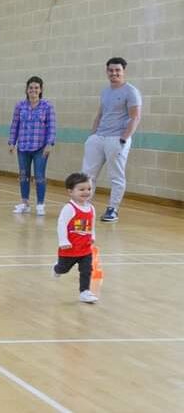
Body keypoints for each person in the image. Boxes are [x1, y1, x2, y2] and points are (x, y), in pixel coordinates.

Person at [81, 57, 142, 223]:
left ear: (123, 71)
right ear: (107, 71)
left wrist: (123, 139)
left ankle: (112, 209)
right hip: (99, 137)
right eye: (111, 70)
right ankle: (84, 207)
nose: (114, 73)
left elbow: (135, 117)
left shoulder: (131, 91)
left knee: (116, 176)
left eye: (117, 70)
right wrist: (92, 135)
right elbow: (100, 114)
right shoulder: (105, 91)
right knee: (87, 174)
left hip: (117, 138)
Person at [8, 76, 56, 216]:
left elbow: (51, 127)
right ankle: (25, 203)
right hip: (23, 146)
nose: (33, 90)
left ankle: (40, 204)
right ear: (27, 90)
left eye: (36, 88)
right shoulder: (20, 106)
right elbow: (14, 125)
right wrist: (12, 142)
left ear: (40, 90)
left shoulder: (47, 106)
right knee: (24, 175)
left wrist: (50, 143)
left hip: (40, 147)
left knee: (39, 175)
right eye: (31, 88)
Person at [53, 172, 98, 304]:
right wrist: (63, 241)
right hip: (70, 247)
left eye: (89, 189)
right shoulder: (69, 208)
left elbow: (92, 223)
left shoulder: (91, 208)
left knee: (87, 269)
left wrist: (93, 235)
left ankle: (85, 292)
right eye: (81, 189)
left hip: (85, 248)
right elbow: (61, 225)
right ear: (70, 191)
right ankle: (57, 268)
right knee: (64, 269)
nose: (86, 192)